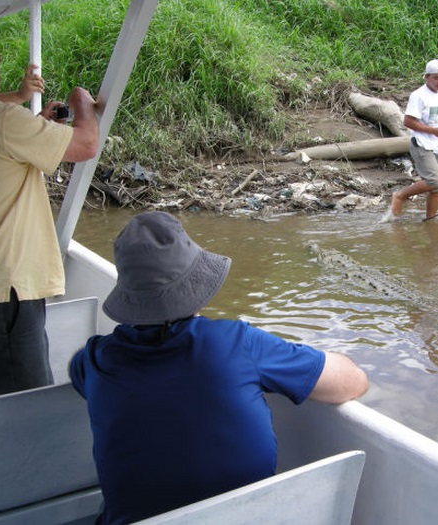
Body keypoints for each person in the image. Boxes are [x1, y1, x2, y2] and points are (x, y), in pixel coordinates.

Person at [69, 211, 368, 525]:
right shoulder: (239, 343)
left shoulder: (96, 360)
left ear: (129, 296)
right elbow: (352, 382)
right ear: (196, 288)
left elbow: (83, 374)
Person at [0, 34, 100, 398]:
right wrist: (82, 105)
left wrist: (37, 124)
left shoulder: (1, 123)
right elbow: (86, 145)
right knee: (24, 411)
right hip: (5, 292)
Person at [389, 59, 438, 221]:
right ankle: (399, 196)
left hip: (436, 145)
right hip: (421, 143)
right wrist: (432, 130)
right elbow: (408, 122)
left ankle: (430, 220)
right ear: (426, 77)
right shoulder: (418, 96)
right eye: (436, 78)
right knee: (433, 181)